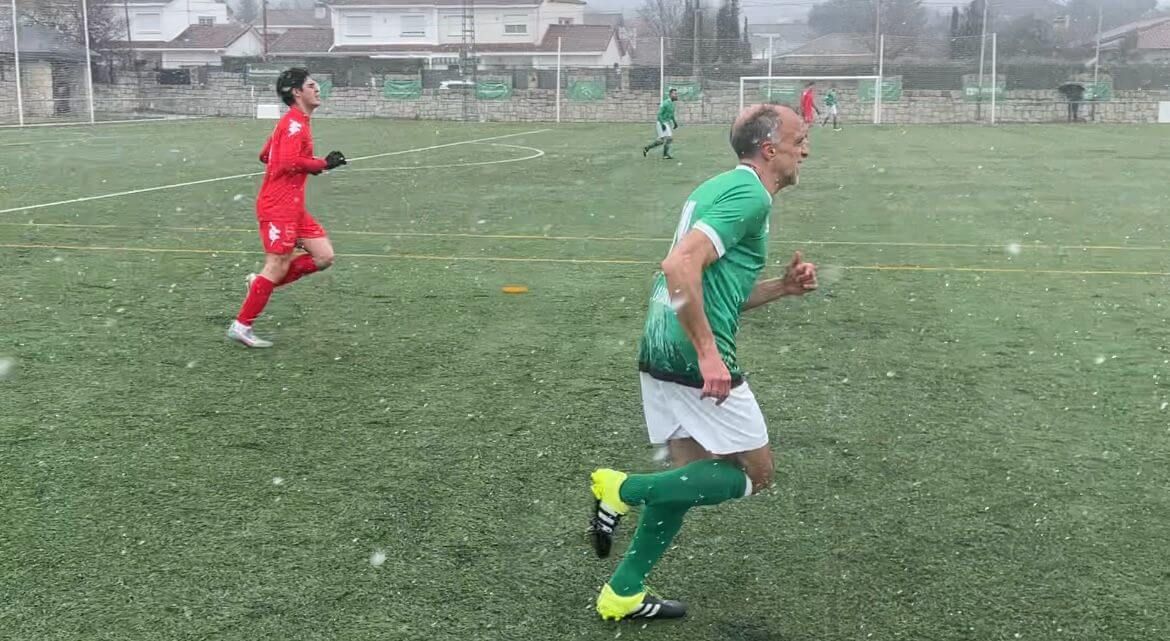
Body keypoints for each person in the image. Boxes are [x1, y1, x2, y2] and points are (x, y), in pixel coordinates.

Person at [588, 104, 818, 622]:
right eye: (799, 138)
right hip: (690, 352)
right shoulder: (750, 194)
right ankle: (622, 488)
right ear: (768, 149)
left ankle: (623, 590)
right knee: (755, 473)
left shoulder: (717, 187)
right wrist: (710, 354)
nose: (806, 148)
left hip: (661, 341)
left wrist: (782, 287)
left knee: (691, 476)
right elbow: (679, 265)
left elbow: (712, 289)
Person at [227, 68, 347, 348]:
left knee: (324, 256)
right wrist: (322, 164)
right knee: (277, 264)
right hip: (278, 207)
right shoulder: (294, 124)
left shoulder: (295, 122)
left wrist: (308, 162)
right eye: (311, 85)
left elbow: (266, 155)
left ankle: (260, 285)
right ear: (297, 92)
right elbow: (286, 162)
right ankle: (241, 326)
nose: (317, 89)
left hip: (293, 207)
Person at [643, 88, 680, 160]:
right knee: (665, 139)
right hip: (661, 122)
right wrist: (662, 124)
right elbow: (659, 114)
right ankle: (650, 149)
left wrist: (675, 123)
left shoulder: (672, 104)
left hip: (666, 123)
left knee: (666, 140)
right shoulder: (665, 103)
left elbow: (672, 115)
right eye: (675, 94)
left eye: (676, 94)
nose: (676, 95)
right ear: (670, 95)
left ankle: (651, 149)